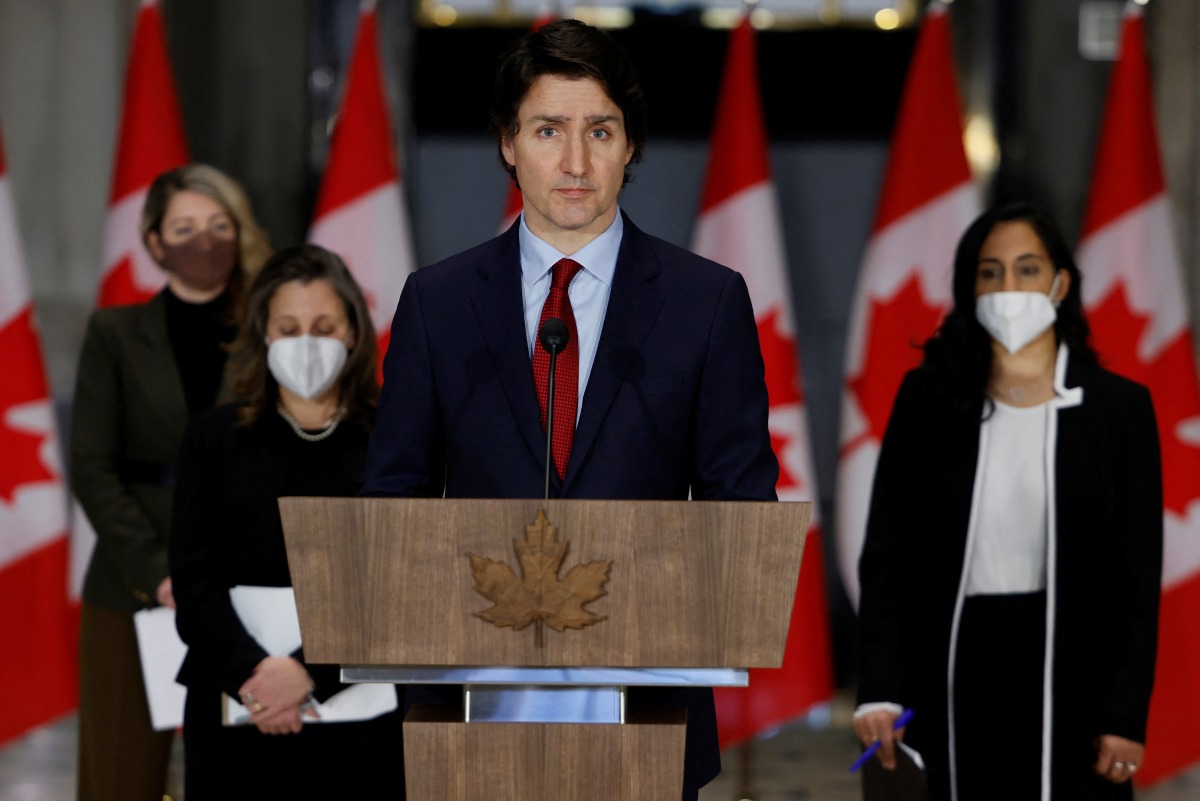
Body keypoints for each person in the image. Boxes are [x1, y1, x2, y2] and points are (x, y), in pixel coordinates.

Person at [361, 18, 778, 801]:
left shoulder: (706, 302)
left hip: (644, 702)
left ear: (632, 147)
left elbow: (741, 510)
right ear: (509, 143)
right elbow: (394, 500)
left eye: (601, 131)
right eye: (549, 129)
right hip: (469, 699)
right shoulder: (439, 302)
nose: (576, 161)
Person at [853, 203, 1162, 800]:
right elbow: (889, 553)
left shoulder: (1118, 410)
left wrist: (1125, 715)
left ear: (1060, 282)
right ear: (970, 286)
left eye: (1026, 269)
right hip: (951, 659)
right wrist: (879, 686)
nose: (1009, 288)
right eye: (990, 272)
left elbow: (1135, 578)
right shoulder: (928, 399)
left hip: (1075, 667)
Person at [169, 245, 404, 800]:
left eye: (323, 326)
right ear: (265, 335)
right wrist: (255, 678)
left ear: (352, 333)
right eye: (289, 326)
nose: (306, 343)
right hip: (231, 700)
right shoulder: (212, 438)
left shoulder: (394, 438)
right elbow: (193, 575)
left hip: (361, 714)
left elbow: (403, 578)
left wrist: (309, 674)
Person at [71, 163, 270, 801]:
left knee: (245, 768)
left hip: (246, 584)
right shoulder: (114, 333)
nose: (204, 242)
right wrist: (158, 570)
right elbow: (92, 466)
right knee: (121, 772)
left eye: (218, 226)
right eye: (185, 228)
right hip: (134, 586)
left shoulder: (271, 331)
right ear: (155, 242)